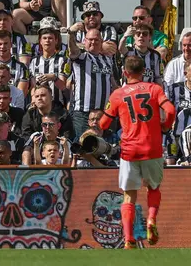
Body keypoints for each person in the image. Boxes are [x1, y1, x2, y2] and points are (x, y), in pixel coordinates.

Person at [99, 56, 175, 249]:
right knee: (153, 188)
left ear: (125, 72)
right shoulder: (154, 89)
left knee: (129, 195)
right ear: (144, 72)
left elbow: (104, 124)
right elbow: (171, 110)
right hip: (153, 149)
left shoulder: (118, 94)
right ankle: (151, 220)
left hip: (130, 151)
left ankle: (129, 239)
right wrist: (165, 126)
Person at [68, 23, 119, 140]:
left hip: (104, 112)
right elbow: (73, 51)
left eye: (96, 40)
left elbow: (113, 83)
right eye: (90, 40)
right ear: (84, 41)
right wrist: (71, 34)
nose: (93, 42)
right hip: (83, 113)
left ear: (101, 42)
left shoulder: (108, 60)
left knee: (105, 146)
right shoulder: (81, 57)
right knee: (82, 146)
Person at [29, 18, 69, 106]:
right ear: (40, 41)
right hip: (39, 105)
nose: (47, 41)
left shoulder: (63, 60)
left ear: (56, 40)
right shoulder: (34, 61)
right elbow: (33, 87)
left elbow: (63, 87)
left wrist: (54, 78)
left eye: (50, 38)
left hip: (57, 106)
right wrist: (33, 100)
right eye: (44, 38)